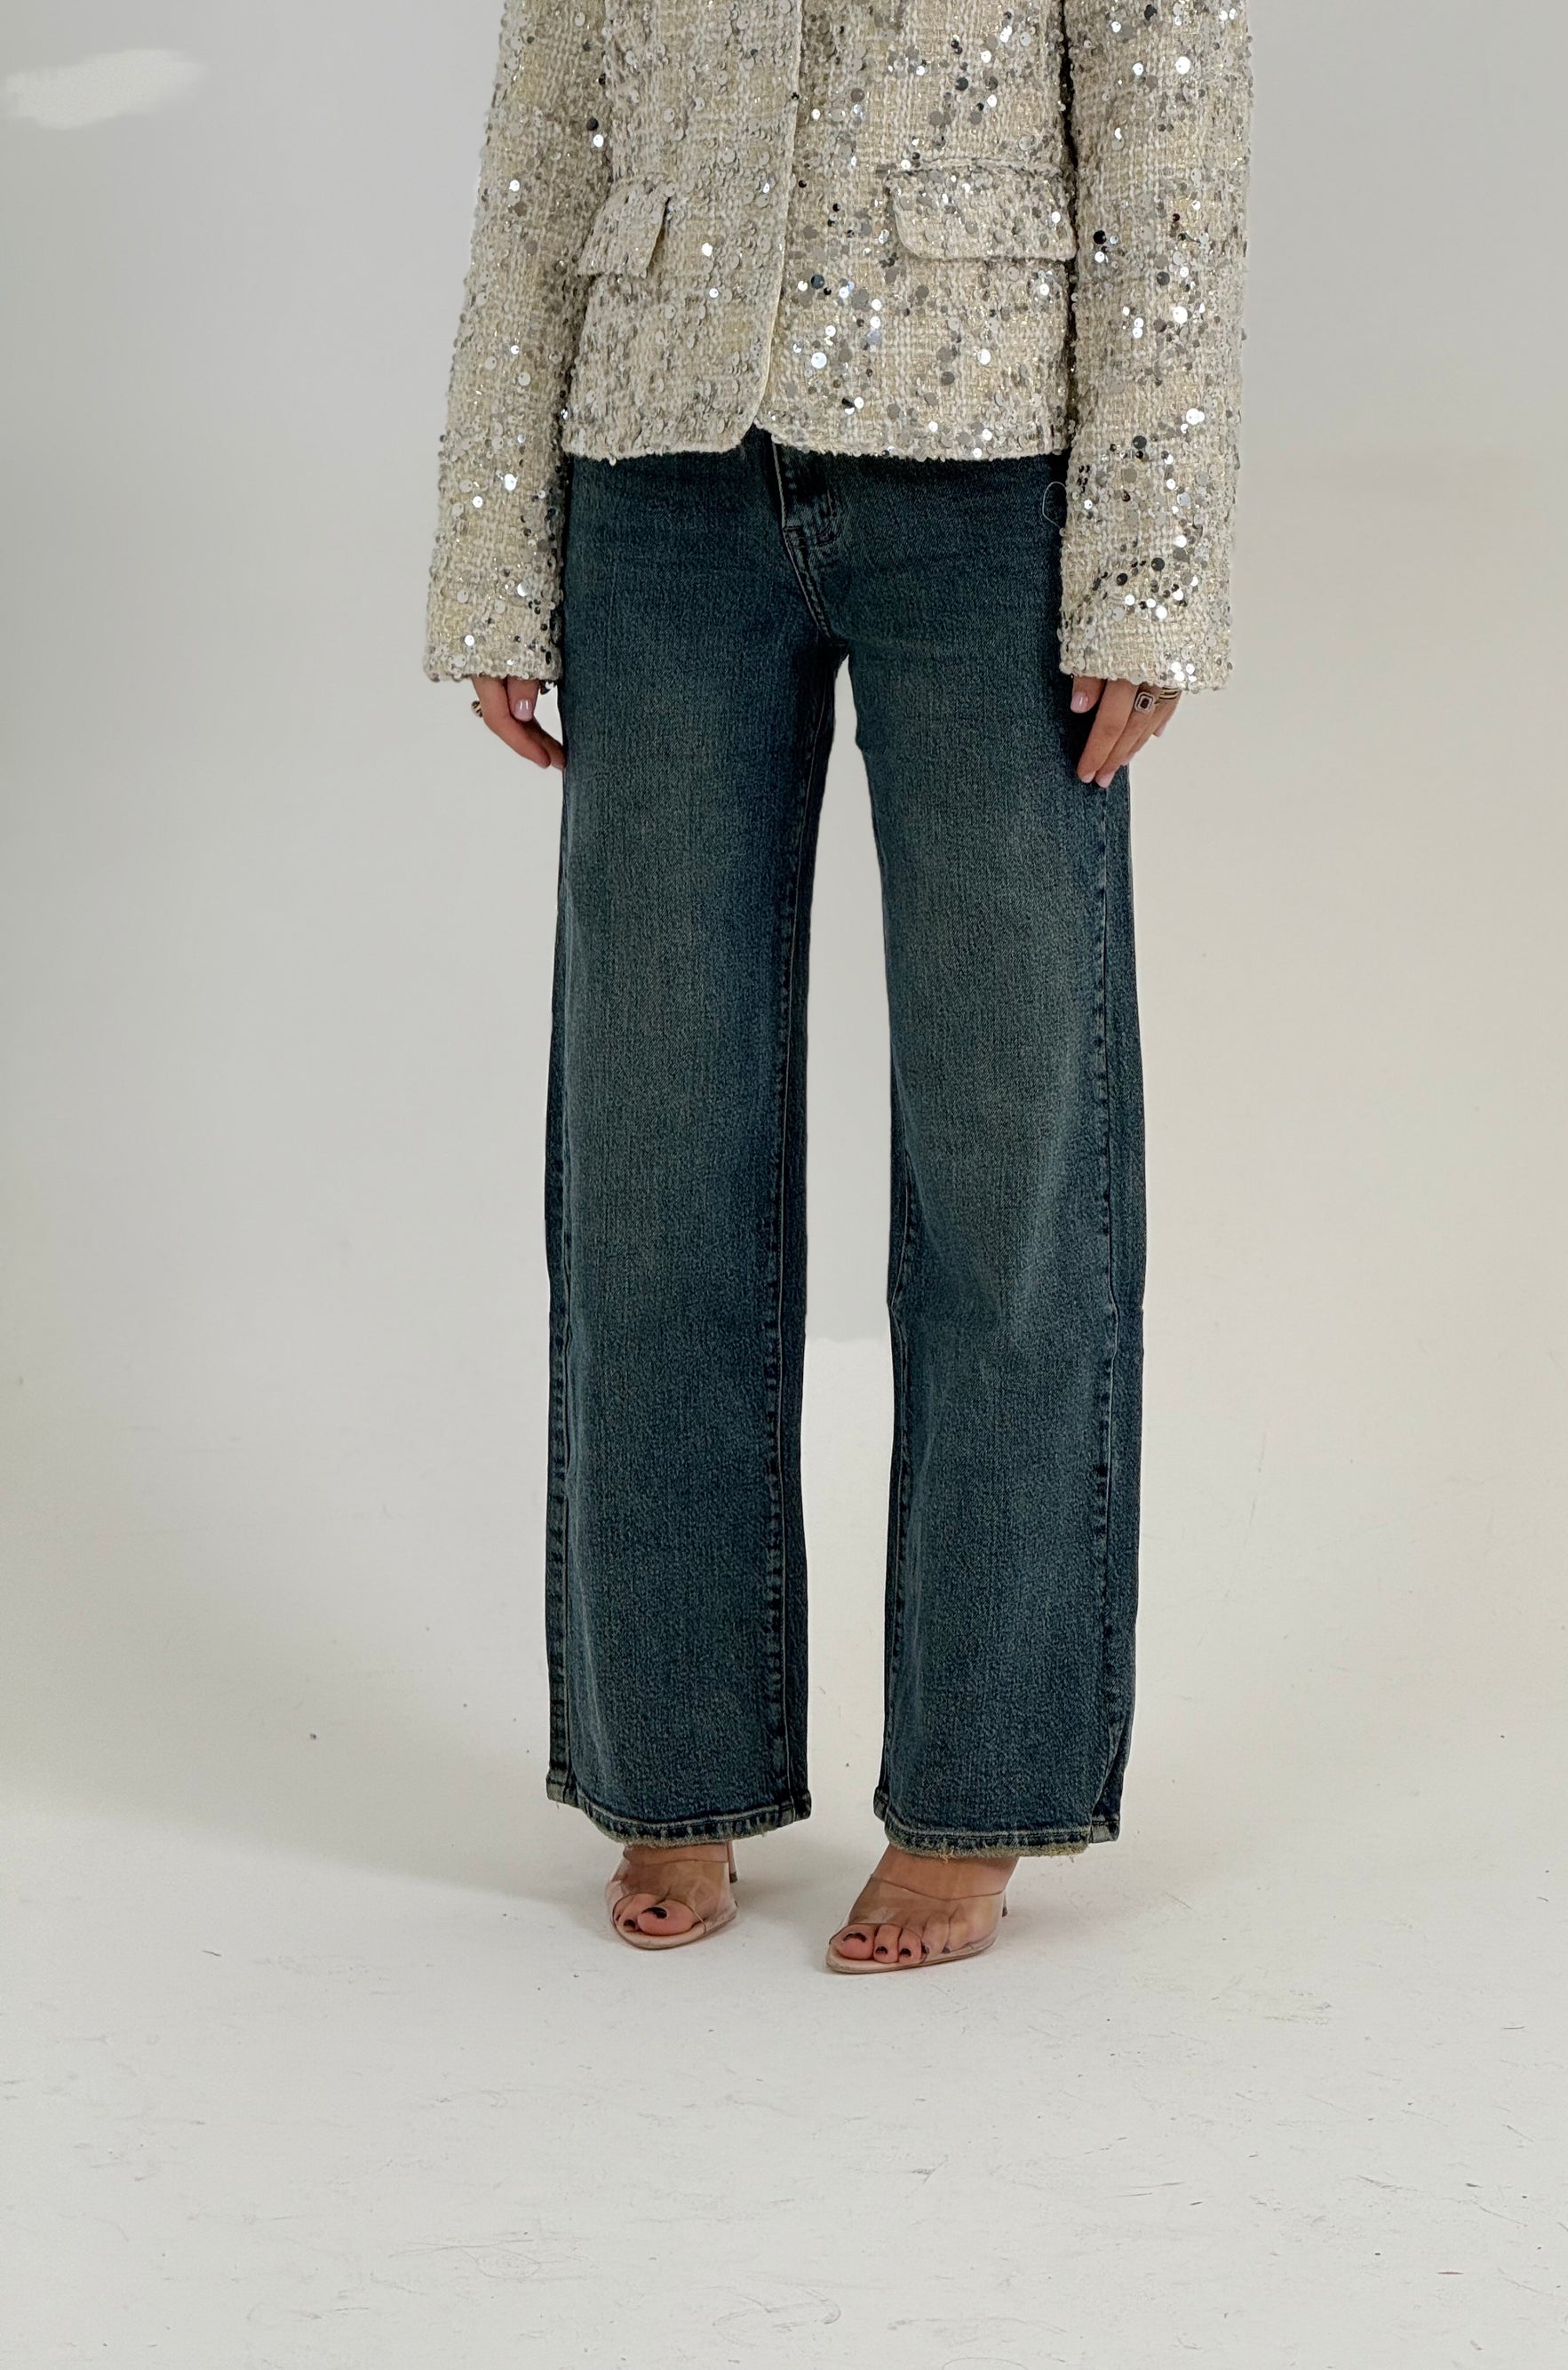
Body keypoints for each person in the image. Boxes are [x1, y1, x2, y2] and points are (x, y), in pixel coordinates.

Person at [424, 0, 1252, 1972]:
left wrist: (1147, 563)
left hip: (992, 488)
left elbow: (1170, 173)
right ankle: (674, 1759)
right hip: (655, 484)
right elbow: (540, 166)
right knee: (653, 1150)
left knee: (1012, 1159)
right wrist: (494, 556)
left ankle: (981, 1786)